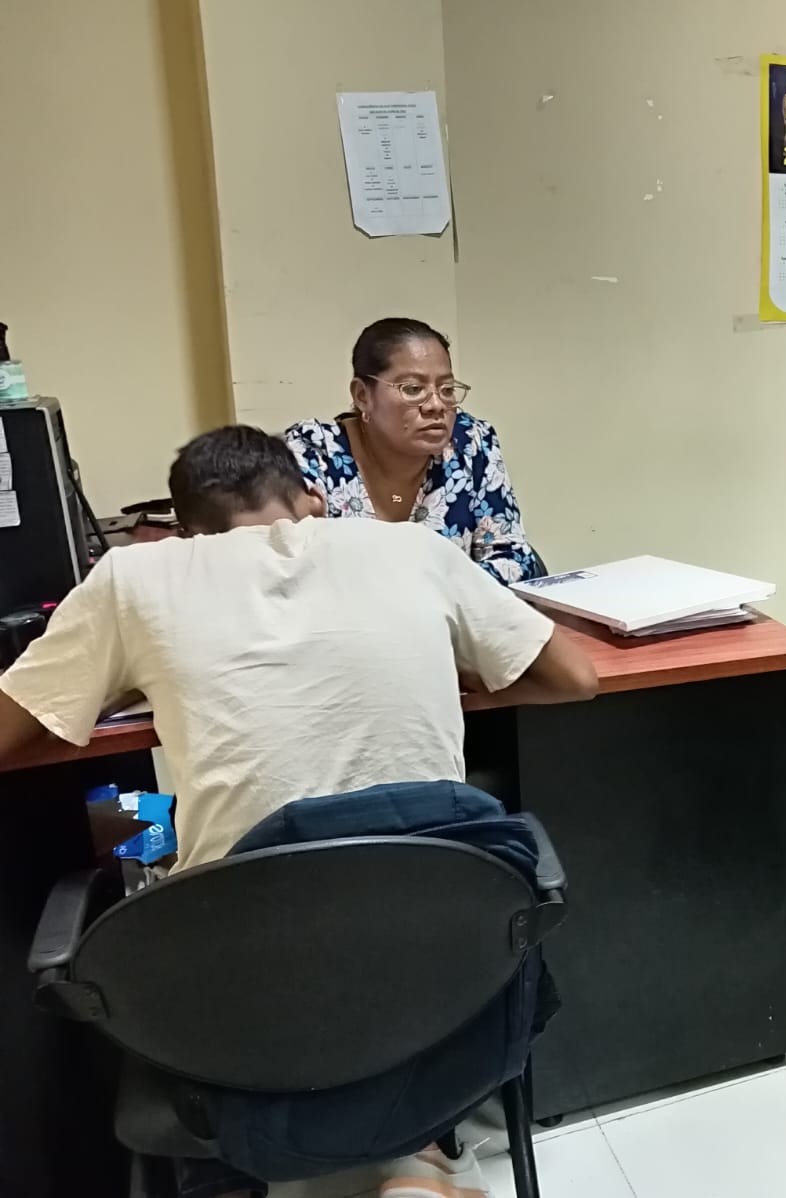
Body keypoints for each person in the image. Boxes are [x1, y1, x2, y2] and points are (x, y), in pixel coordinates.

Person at [0, 425, 598, 1198]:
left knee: (127, 815)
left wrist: (134, 673)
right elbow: (576, 677)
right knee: (358, 865)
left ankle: (228, 1170)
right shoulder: (413, 549)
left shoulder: (133, 576)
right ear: (313, 499)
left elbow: (14, 730)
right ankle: (418, 1152)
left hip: (250, 991)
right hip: (442, 967)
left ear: (186, 529)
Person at [284, 317, 547, 585]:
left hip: (455, 613)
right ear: (362, 395)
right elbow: (287, 571)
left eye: (446, 389)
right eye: (413, 389)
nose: (436, 405)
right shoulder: (313, 451)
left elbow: (515, 559)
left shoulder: (471, 443)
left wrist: (434, 595)